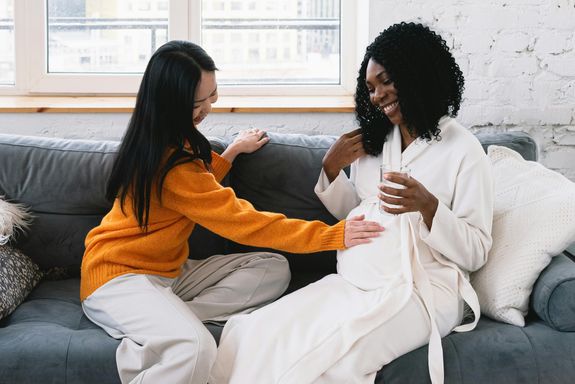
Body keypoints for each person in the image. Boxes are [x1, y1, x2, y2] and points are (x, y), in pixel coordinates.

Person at [80, 40, 384, 384]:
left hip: (169, 272)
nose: (209, 106)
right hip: (118, 278)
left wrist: (233, 152)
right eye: (200, 102)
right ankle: (173, 329)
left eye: (213, 95)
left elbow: (195, 190)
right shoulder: (172, 164)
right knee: (195, 349)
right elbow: (242, 221)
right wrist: (333, 235)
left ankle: (173, 321)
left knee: (272, 267)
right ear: (172, 103)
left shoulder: (165, 139)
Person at [210, 22, 494, 384]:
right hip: (355, 283)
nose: (377, 96)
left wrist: (428, 206)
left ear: (417, 74)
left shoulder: (462, 149)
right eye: (371, 88)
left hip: (424, 291)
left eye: (386, 82)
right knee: (256, 333)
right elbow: (358, 216)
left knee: (335, 361)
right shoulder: (375, 144)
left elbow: (476, 252)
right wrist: (330, 169)